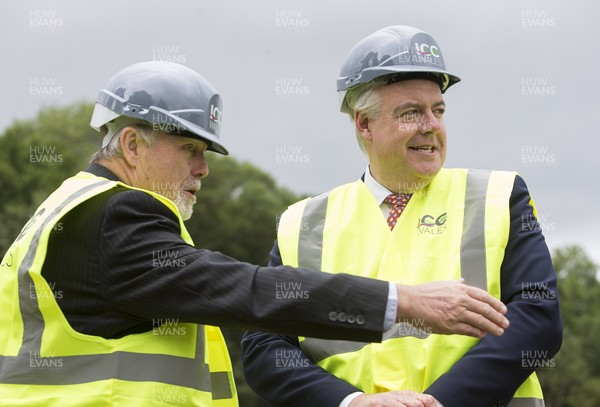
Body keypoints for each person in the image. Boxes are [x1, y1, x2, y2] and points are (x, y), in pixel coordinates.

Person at [0, 61, 509, 407]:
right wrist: (404, 302)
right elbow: (247, 289)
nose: (203, 169)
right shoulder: (117, 215)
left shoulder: (71, 206)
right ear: (131, 144)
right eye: (190, 149)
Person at [241, 25, 563, 407]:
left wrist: (442, 402)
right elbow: (265, 347)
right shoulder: (302, 222)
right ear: (364, 124)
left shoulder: (499, 195)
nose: (431, 126)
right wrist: (351, 402)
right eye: (411, 113)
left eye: (438, 110)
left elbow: (537, 319)